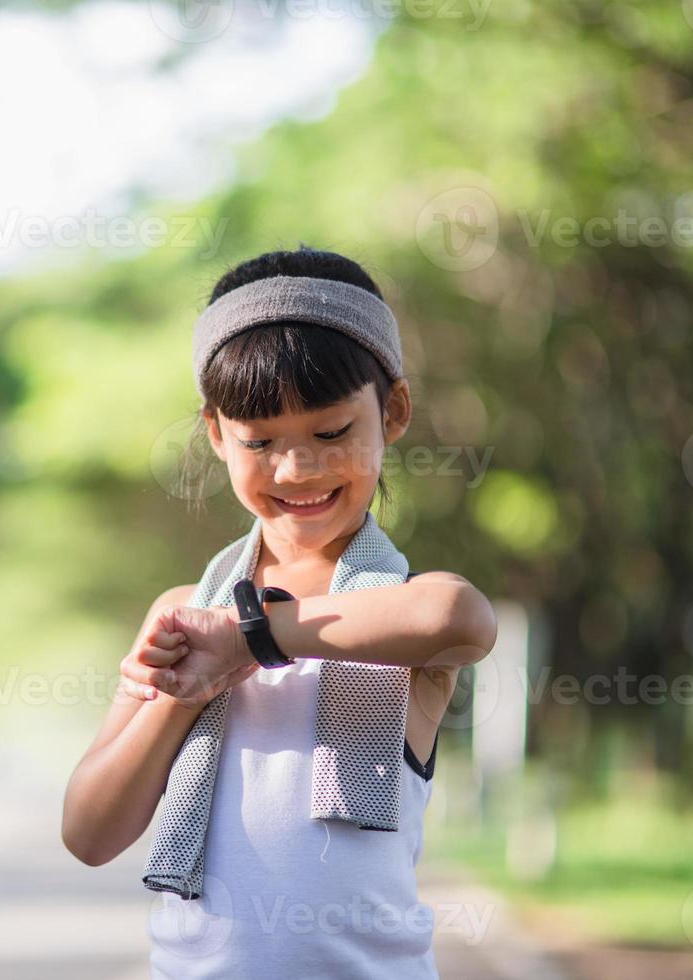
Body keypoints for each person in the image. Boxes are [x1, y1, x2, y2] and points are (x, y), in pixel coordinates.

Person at [60, 246, 498, 978]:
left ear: (392, 411)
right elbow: (90, 833)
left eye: (331, 433)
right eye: (259, 442)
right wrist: (184, 693)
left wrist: (251, 639)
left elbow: (461, 618)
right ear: (215, 434)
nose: (297, 469)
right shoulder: (181, 615)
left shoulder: (398, 609)